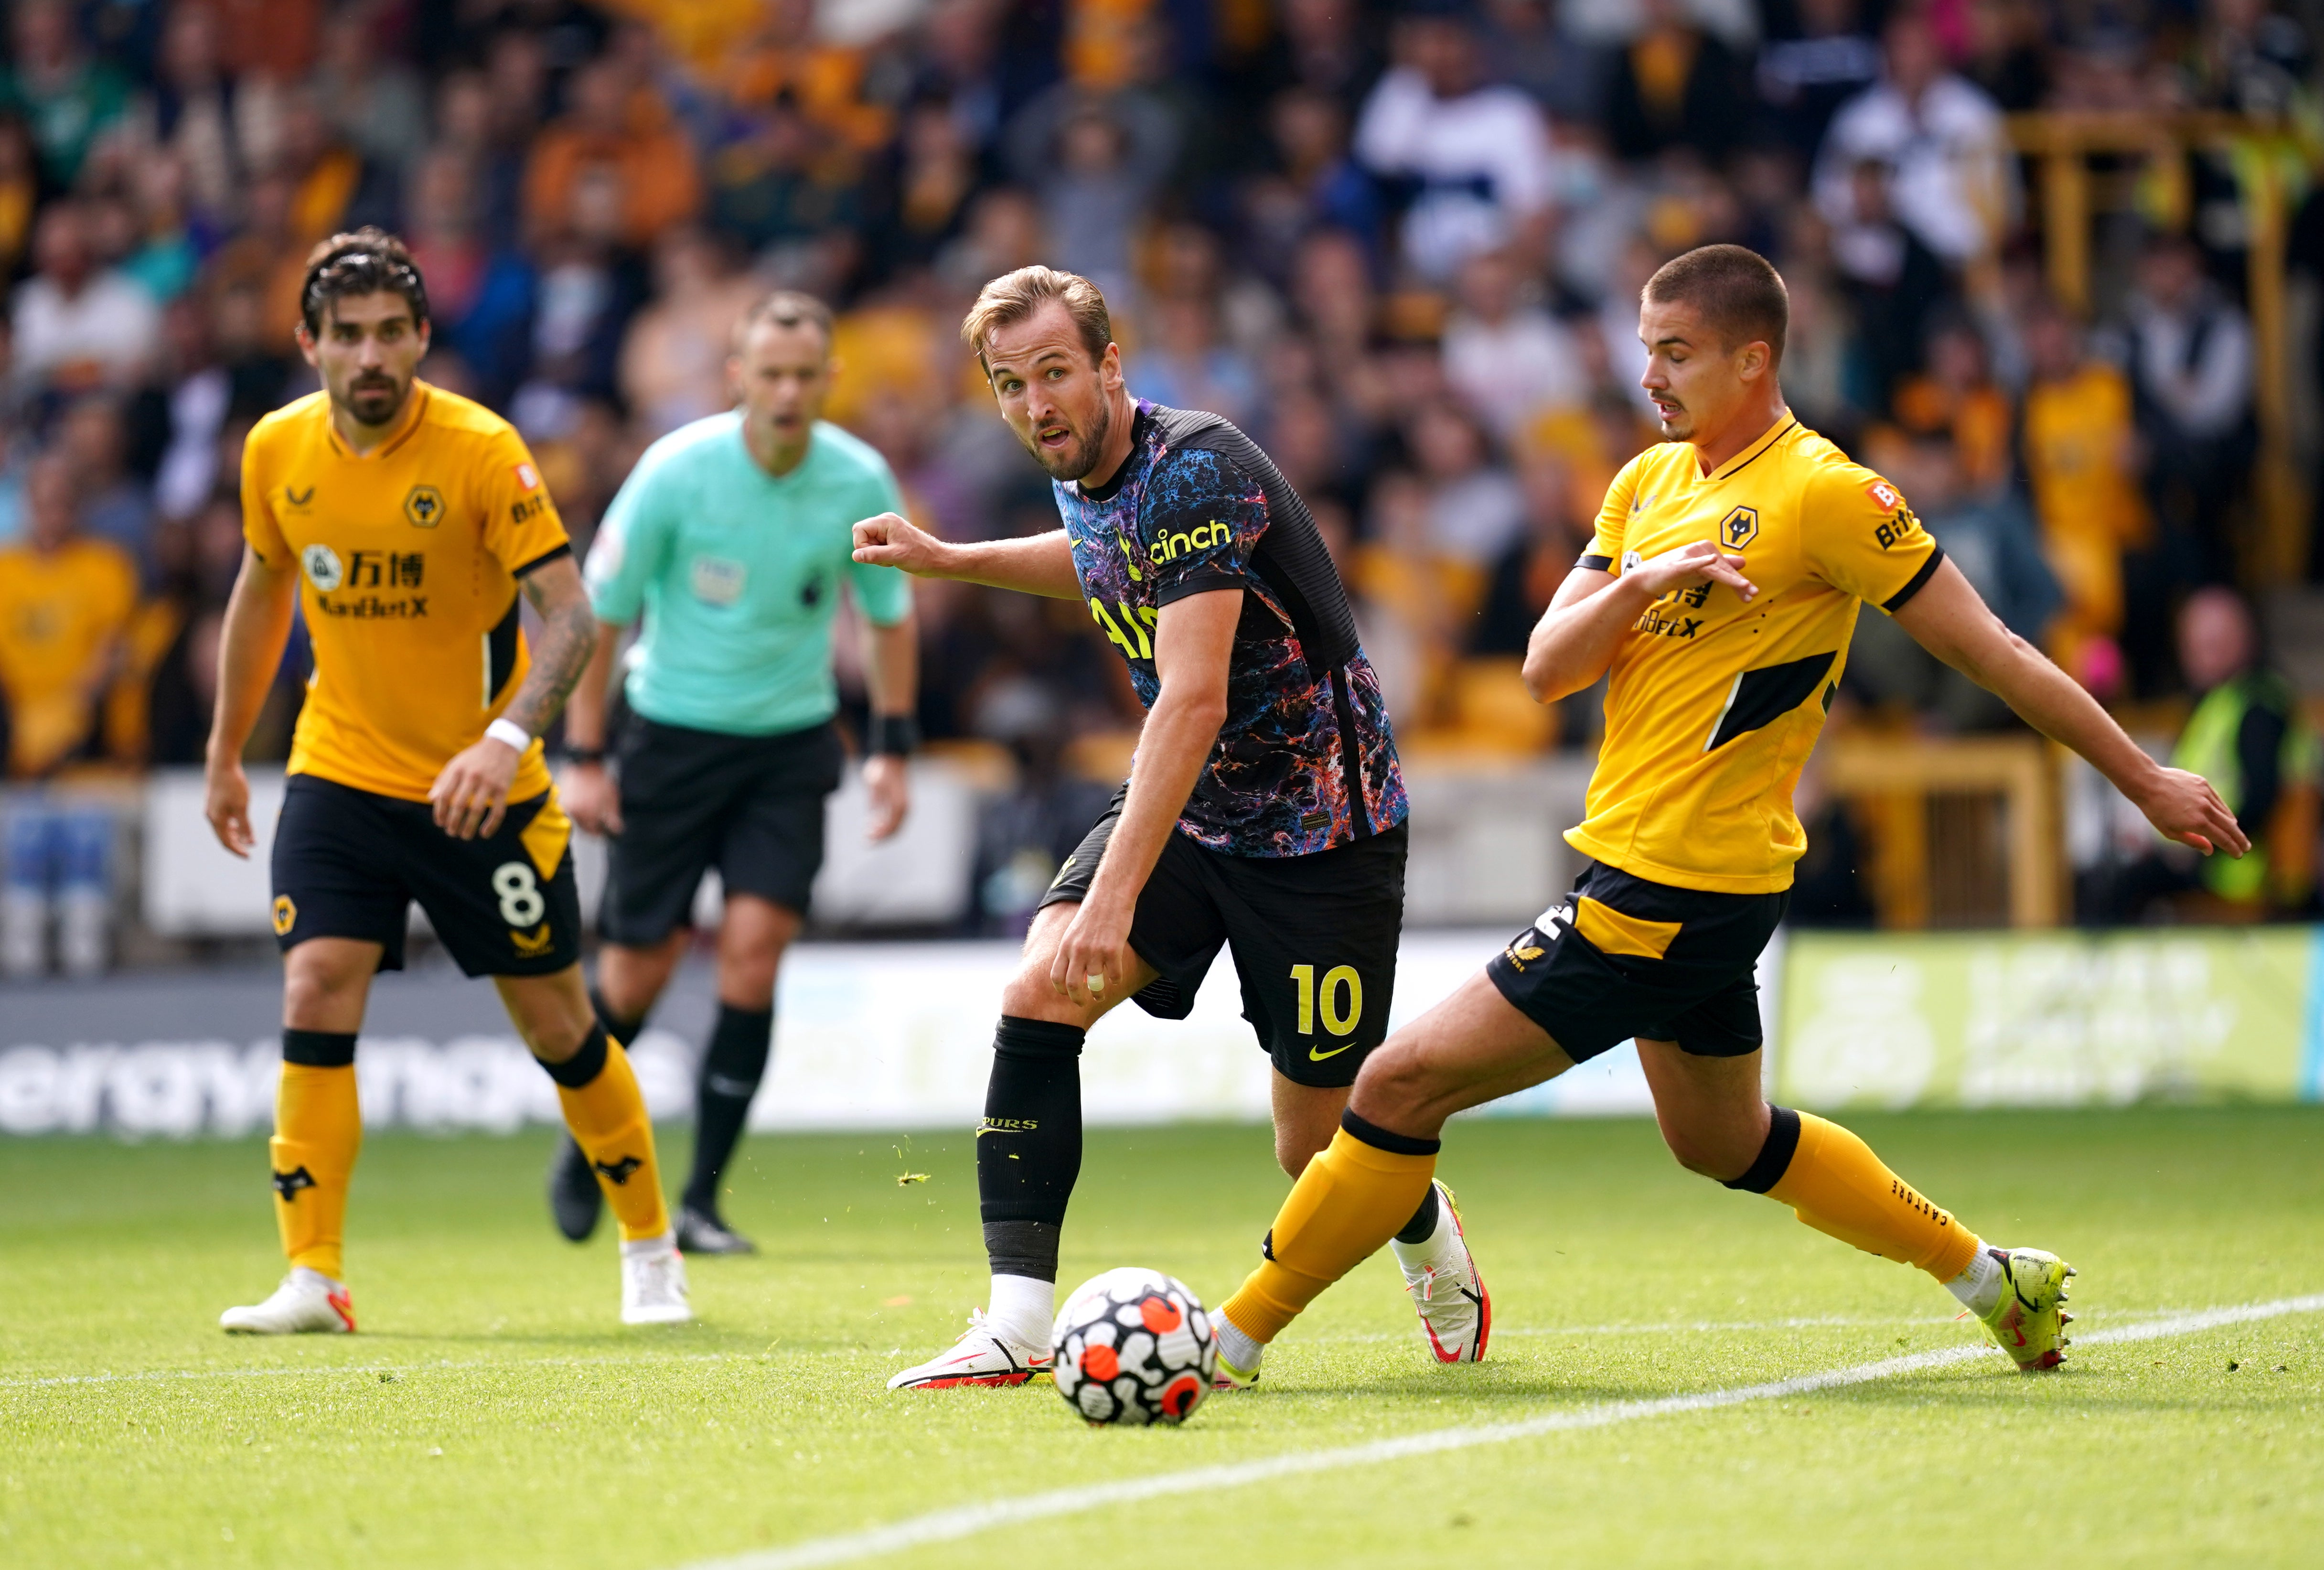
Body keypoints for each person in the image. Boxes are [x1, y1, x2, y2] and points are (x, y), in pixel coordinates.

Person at [1205, 244, 2247, 1386]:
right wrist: (1646, 581)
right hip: (1684, 878)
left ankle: (1231, 1334)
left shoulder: (1827, 494)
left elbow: (1992, 651)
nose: (1651, 375)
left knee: (1395, 1087)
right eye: (1646, 349)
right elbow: (1548, 665)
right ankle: (1997, 1277)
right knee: (1724, 1139)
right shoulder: (1644, 487)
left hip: (1672, 884)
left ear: (1755, 358)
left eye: (1678, 352)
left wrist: (2142, 776)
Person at [857, 266, 1480, 1390]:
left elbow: (1191, 698)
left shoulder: (1197, 467)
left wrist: (1106, 900)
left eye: (1054, 371)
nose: (1036, 402)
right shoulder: (1084, 470)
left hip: (1321, 832)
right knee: (1039, 990)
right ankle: (1016, 1323)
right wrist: (956, 558)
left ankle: (1428, 1232)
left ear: (1110, 365)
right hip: (1199, 807)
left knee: (1319, 1144)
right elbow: (1100, 560)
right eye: (1010, 385)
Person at [203, 230, 690, 1334]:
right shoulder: (276, 450)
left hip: (486, 789)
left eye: (390, 334)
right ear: (310, 344)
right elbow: (260, 588)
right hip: (340, 769)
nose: (370, 355)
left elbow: (571, 616)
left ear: (423, 338)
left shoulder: (481, 450)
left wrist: (508, 739)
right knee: (315, 985)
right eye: (347, 336)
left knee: (561, 1026)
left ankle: (650, 1243)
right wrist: (228, 749)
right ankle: (313, 1273)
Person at [551, 290, 921, 1256]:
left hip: (790, 746)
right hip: (669, 737)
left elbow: (887, 615)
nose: (789, 392)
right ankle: (588, 1139)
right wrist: (585, 759)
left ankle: (704, 1200)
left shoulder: (858, 478)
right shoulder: (676, 472)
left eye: (806, 375)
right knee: (635, 974)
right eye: (772, 374)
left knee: (753, 956)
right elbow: (600, 620)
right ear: (738, 378)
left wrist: (891, 746)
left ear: (832, 379)